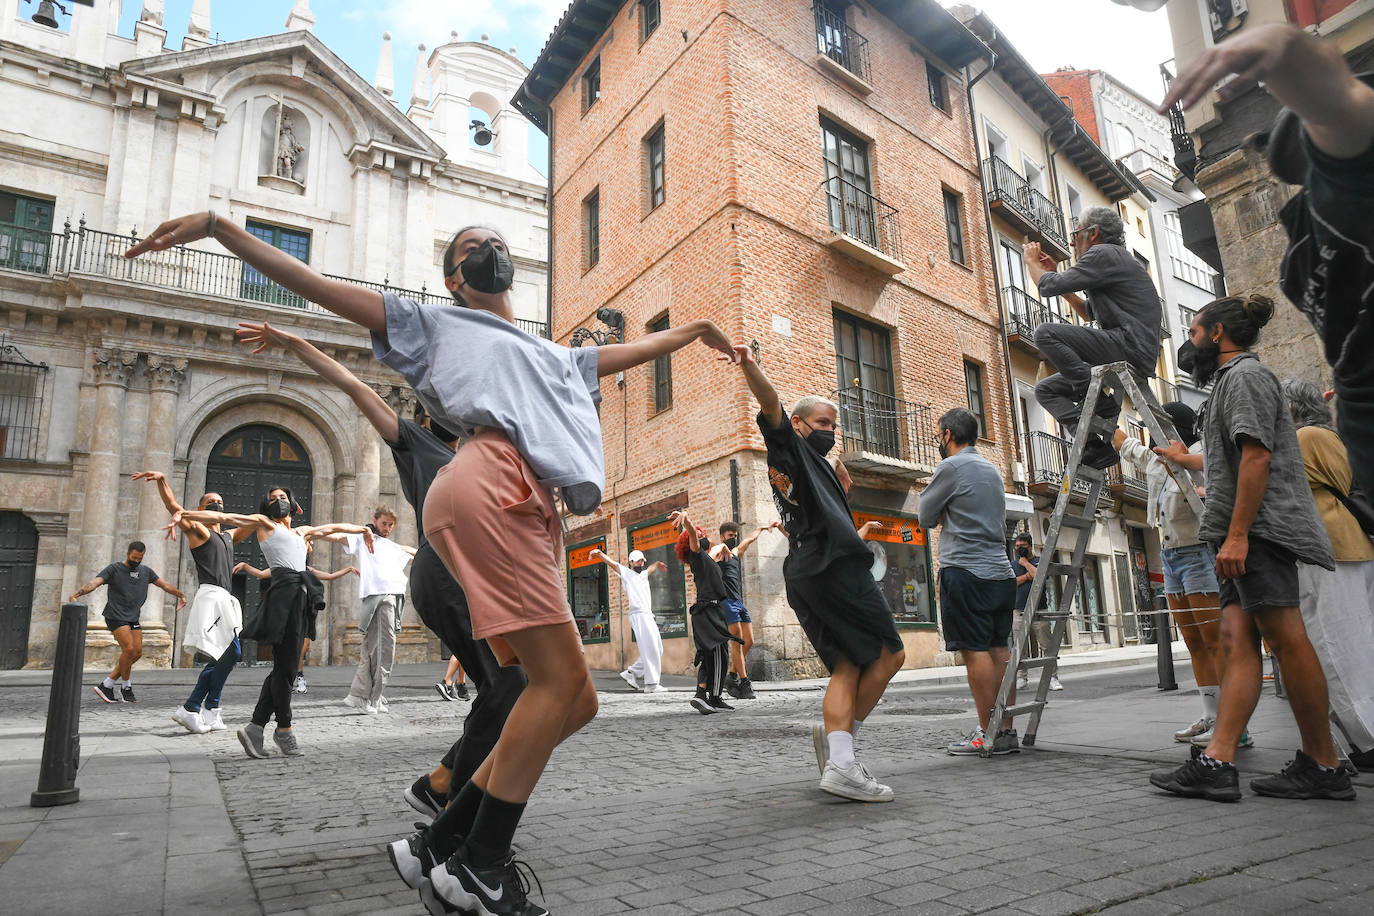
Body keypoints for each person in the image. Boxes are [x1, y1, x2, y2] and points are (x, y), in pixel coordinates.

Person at [131, 215, 736, 914]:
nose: (487, 249)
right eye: (468, 248)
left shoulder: (551, 353)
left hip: (522, 503)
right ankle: (476, 864)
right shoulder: (436, 324)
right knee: (556, 683)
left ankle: (437, 844)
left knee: (577, 700)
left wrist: (694, 333)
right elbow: (314, 283)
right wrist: (215, 227)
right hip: (492, 487)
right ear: (455, 278)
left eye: (493, 240)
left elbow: (637, 348)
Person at [231, 319, 529, 897]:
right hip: (447, 577)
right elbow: (358, 389)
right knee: (510, 688)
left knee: (509, 687)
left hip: (475, 578)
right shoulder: (421, 444)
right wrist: (296, 344)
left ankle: (445, 789)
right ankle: (454, 816)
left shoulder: (486, 449)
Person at [1148, 295, 1353, 802]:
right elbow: (1231, 456)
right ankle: (1219, 760)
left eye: (1194, 332)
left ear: (1217, 333)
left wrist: (1238, 534)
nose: (1189, 342)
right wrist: (1186, 459)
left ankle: (1324, 764)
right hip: (1238, 534)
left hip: (1257, 533)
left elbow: (1257, 457)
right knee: (1239, 642)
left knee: (1286, 638)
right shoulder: (1227, 384)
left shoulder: (1245, 378)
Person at [1160, 22, 1374, 499]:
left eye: (1194, 329)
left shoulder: (1343, 200)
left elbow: (1351, 127)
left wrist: (1296, 58)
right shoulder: (1305, 240)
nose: (1187, 340)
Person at [733, 347, 905, 803]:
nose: (831, 432)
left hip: (808, 570)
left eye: (834, 425)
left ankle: (840, 752)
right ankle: (841, 752)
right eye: (823, 424)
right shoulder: (791, 449)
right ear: (801, 424)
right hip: (834, 572)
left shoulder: (811, 471)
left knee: (848, 664)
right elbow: (770, 407)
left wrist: (851, 522)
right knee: (890, 654)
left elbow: (815, 522)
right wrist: (752, 362)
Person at [174, 488, 371, 758]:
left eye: (282, 497)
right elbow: (233, 517)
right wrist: (182, 514)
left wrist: (363, 530)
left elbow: (333, 529)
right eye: (272, 499)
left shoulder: (302, 532)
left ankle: (256, 728)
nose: (278, 502)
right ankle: (284, 729)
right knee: (286, 669)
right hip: (283, 598)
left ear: (294, 504)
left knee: (285, 669)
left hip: (302, 602)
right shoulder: (265, 524)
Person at [1113, 405, 1240, 748]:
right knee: (1194, 642)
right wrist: (1098, 410)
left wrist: (1200, 491)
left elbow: (1226, 490)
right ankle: (1211, 716)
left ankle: (1235, 727)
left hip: (1200, 552)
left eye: (1156, 429)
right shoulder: (1157, 459)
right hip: (1170, 557)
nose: (1152, 437)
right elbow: (1125, 445)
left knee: (1215, 641)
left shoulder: (1202, 455)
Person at [1023, 206, 1163, 469]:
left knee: (1045, 333)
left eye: (1076, 235)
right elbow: (1089, 313)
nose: (1073, 243)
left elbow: (1047, 286)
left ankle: (1097, 398)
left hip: (1128, 345)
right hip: (1130, 345)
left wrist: (1031, 261)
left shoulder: (1103, 253)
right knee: (1046, 389)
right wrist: (1063, 284)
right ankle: (1094, 445)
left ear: (1094, 232)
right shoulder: (1113, 259)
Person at [1282, 379, 1374, 771]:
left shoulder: (1305, 437)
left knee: (1335, 650)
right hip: (1347, 549)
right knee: (1352, 647)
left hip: (1329, 552)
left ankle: (1368, 742)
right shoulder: (1325, 435)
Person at [917, 409, 1021, 757]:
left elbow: (924, 516)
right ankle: (1005, 730)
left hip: (966, 569)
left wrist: (947, 509)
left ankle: (986, 731)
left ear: (947, 434)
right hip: (1000, 571)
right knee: (999, 649)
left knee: (974, 651)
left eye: (938, 433)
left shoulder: (951, 467)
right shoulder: (991, 469)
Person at [132, 471, 251, 733]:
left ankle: (210, 710)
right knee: (232, 653)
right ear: (200, 509)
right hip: (211, 596)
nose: (216, 505)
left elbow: (255, 523)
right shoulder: (198, 530)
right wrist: (163, 480)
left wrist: (276, 510)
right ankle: (192, 707)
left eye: (219, 502)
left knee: (224, 655)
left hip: (225, 599)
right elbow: (173, 507)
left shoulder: (229, 537)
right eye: (210, 503)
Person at [319, 506, 415, 715]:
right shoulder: (364, 539)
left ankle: (359, 695)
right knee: (383, 650)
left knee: (374, 649)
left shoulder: (390, 546)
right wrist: (310, 533)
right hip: (381, 598)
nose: (387, 528)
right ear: (375, 520)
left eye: (391, 525)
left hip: (391, 598)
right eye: (384, 523)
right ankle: (372, 698)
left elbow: (411, 552)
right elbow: (336, 537)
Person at [72, 540, 186, 704]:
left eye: (140, 558)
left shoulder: (145, 571)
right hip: (116, 615)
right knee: (129, 649)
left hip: (132, 617)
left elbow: (164, 585)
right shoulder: (114, 569)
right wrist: (76, 594)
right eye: (134, 558)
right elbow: (94, 583)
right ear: (128, 554)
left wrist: (180, 595)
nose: (137, 561)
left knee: (137, 652)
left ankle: (107, 685)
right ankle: (126, 687)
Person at [671, 509, 740, 714]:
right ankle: (715, 697)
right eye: (699, 536)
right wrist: (688, 522)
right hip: (708, 610)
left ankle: (702, 695)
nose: (702, 537)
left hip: (710, 610)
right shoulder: (697, 556)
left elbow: (715, 551)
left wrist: (723, 547)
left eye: (703, 535)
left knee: (710, 655)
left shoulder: (707, 559)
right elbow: (693, 535)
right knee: (719, 652)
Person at [711, 520, 780, 700]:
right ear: (722, 537)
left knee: (749, 640)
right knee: (738, 643)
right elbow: (710, 555)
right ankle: (744, 682)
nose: (733, 539)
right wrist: (720, 547)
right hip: (726, 602)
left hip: (738, 602)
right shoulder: (719, 553)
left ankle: (732, 675)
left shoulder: (735, 553)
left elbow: (749, 539)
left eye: (735, 536)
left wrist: (761, 529)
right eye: (730, 536)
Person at [589, 547, 668, 693]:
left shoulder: (643, 575)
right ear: (631, 562)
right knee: (650, 648)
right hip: (639, 615)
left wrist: (657, 563)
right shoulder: (627, 574)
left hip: (647, 615)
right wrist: (599, 554)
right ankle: (651, 685)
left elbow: (650, 569)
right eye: (637, 561)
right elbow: (613, 564)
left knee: (658, 649)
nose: (640, 563)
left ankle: (631, 673)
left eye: (642, 561)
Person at [1010, 533, 1061, 693]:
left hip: (1040, 609)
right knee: (1020, 646)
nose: (1019, 549)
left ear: (1030, 546)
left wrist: (1025, 564)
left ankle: (1052, 677)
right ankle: (1022, 678)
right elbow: (1012, 583)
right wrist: (1027, 575)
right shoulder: (1012, 564)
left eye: (1022, 546)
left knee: (1047, 644)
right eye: (1017, 546)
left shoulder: (1039, 561)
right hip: (1019, 610)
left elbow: (1039, 576)